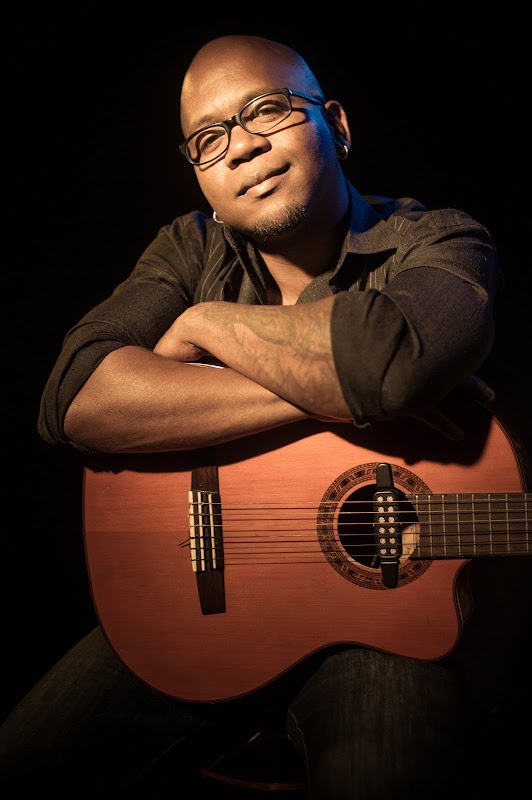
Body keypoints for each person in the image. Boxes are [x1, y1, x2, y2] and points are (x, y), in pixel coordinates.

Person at [2, 33, 530, 800]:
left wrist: (205, 328)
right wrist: (346, 391)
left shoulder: (441, 240)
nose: (243, 146)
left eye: (268, 110)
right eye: (209, 139)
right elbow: (76, 397)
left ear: (336, 125)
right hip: (191, 614)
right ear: (199, 174)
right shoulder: (188, 249)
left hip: (379, 640)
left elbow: (392, 364)